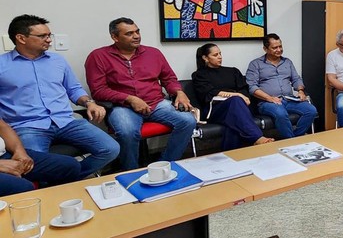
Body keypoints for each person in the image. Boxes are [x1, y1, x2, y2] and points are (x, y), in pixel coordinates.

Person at [0, 14, 119, 179]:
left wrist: (90, 103)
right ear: (21, 38)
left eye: (49, 35)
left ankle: (69, 179)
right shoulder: (2, 66)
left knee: (111, 148)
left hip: (66, 121)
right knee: (31, 167)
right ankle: (58, 183)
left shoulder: (57, 61)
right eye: (42, 36)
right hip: (27, 126)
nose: (49, 40)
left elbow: (74, 89)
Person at [85, 17, 196, 170]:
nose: (136, 36)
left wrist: (179, 92)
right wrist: (129, 99)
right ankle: (131, 171)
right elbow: (98, 90)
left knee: (188, 120)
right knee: (127, 131)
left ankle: (165, 164)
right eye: (129, 33)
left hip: (156, 103)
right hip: (122, 107)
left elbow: (168, 78)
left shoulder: (153, 53)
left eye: (137, 31)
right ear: (115, 37)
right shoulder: (98, 56)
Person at [192, 44, 274, 150]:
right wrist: (237, 95)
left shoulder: (232, 71)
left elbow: (244, 88)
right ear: (205, 58)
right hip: (214, 110)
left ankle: (230, 154)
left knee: (232, 120)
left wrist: (242, 96)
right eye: (215, 55)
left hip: (237, 108)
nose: (220, 57)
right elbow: (208, 94)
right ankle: (257, 137)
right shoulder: (199, 75)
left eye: (220, 54)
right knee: (235, 102)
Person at [246, 33, 317, 139]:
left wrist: (301, 91)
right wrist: (269, 98)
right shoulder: (255, 64)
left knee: (311, 110)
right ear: (265, 49)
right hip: (267, 102)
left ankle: (295, 137)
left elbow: (296, 79)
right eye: (274, 48)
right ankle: (291, 142)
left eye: (280, 46)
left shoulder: (287, 62)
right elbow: (252, 87)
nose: (279, 50)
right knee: (281, 113)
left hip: (289, 99)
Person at [0, 118, 80, 196]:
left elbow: (2, 126)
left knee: (69, 166)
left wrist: (19, 151)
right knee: (23, 187)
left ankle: (53, 204)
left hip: (4, 154)